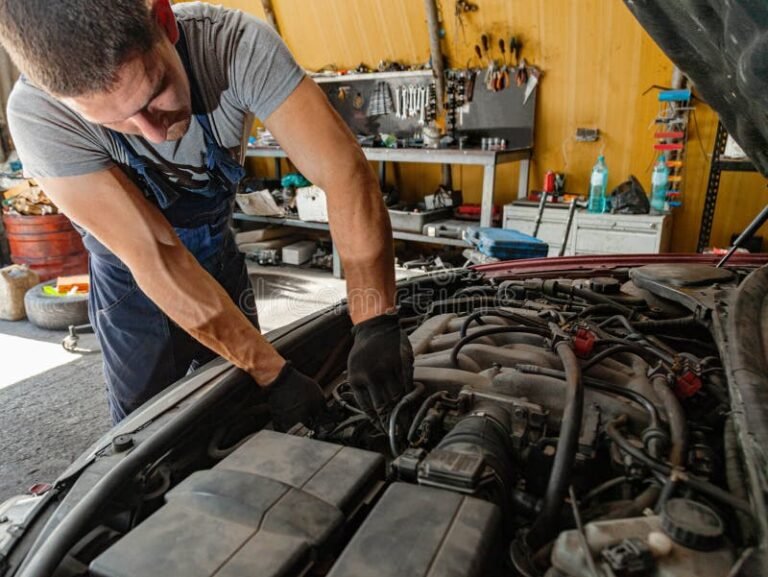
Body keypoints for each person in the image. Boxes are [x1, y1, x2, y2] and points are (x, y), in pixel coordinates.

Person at [0, 0, 413, 430]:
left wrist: (373, 320)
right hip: (132, 283)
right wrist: (276, 375)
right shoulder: (39, 116)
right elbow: (158, 254)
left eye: (154, 93)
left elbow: (343, 172)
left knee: (249, 412)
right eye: (120, 122)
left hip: (218, 253)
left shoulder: (231, 44)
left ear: (163, 21)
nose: (155, 132)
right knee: (151, 433)